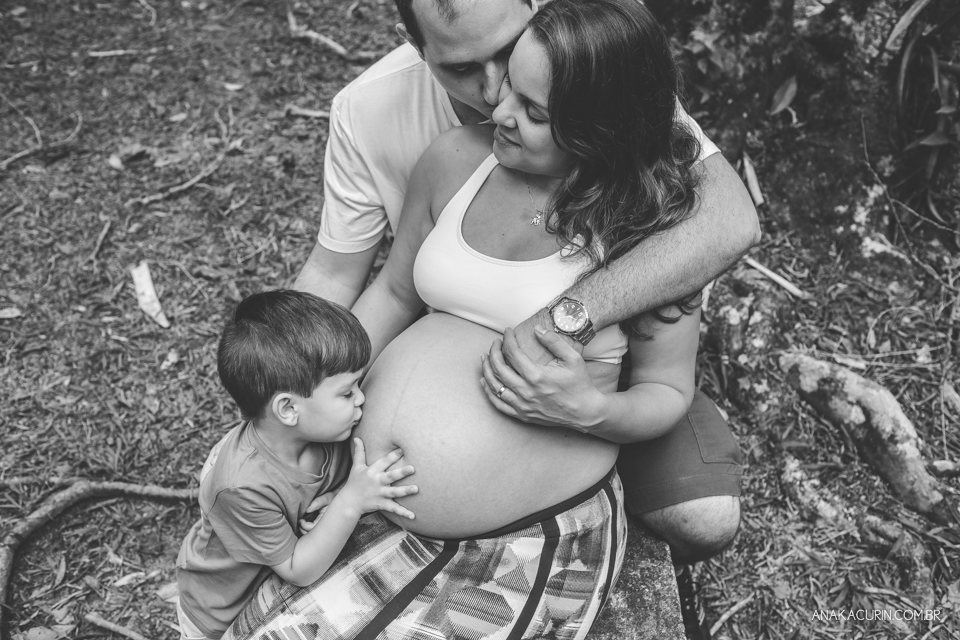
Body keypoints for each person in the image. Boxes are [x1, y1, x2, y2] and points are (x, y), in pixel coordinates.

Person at [225, 2, 717, 638]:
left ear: (601, 126)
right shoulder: (454, 159)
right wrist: (293, 392)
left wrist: (589, 409)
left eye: (533, 111)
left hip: (519, 535)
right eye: (512, 87)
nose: (498, 109)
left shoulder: (652, 232)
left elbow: (667, 390)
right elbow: (394, 292)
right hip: (367, 490)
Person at [176, 290, 418, 640]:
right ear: (288, 409)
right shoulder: (242, 486)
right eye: (347, 392)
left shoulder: (322, 431)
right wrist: (350, 501)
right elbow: (297, 569)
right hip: (219, 613)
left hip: (271, 587)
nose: (361, 398)